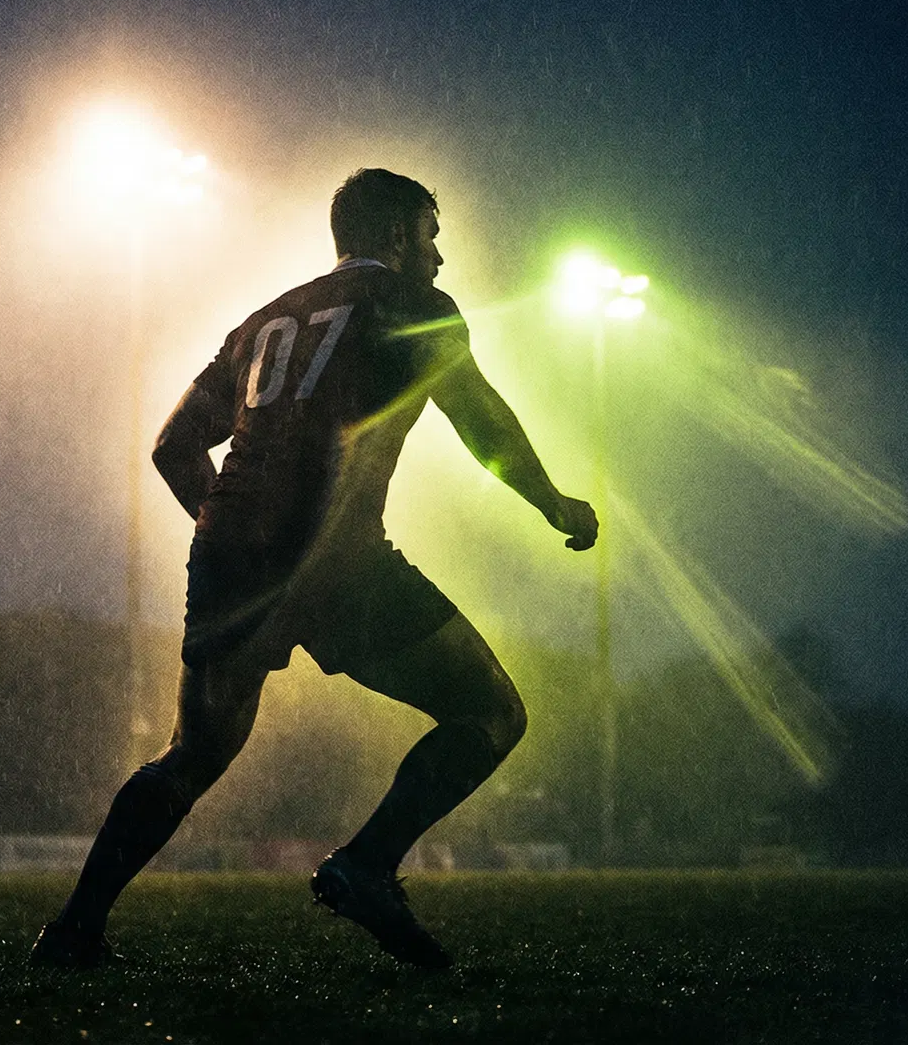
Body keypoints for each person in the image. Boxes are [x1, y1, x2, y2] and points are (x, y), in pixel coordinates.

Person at [30, 168, 597, 970]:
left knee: (192, 755)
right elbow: (480, 420)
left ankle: (73, 931)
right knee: (491, 713)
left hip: (229, 556)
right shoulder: (414, 304)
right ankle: (366, 866)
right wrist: (553, 503)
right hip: (338, 554)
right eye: (430, 237)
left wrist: (233, 533)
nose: (438, 258)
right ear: (396, 234)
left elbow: (172, 447)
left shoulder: (265, 320)